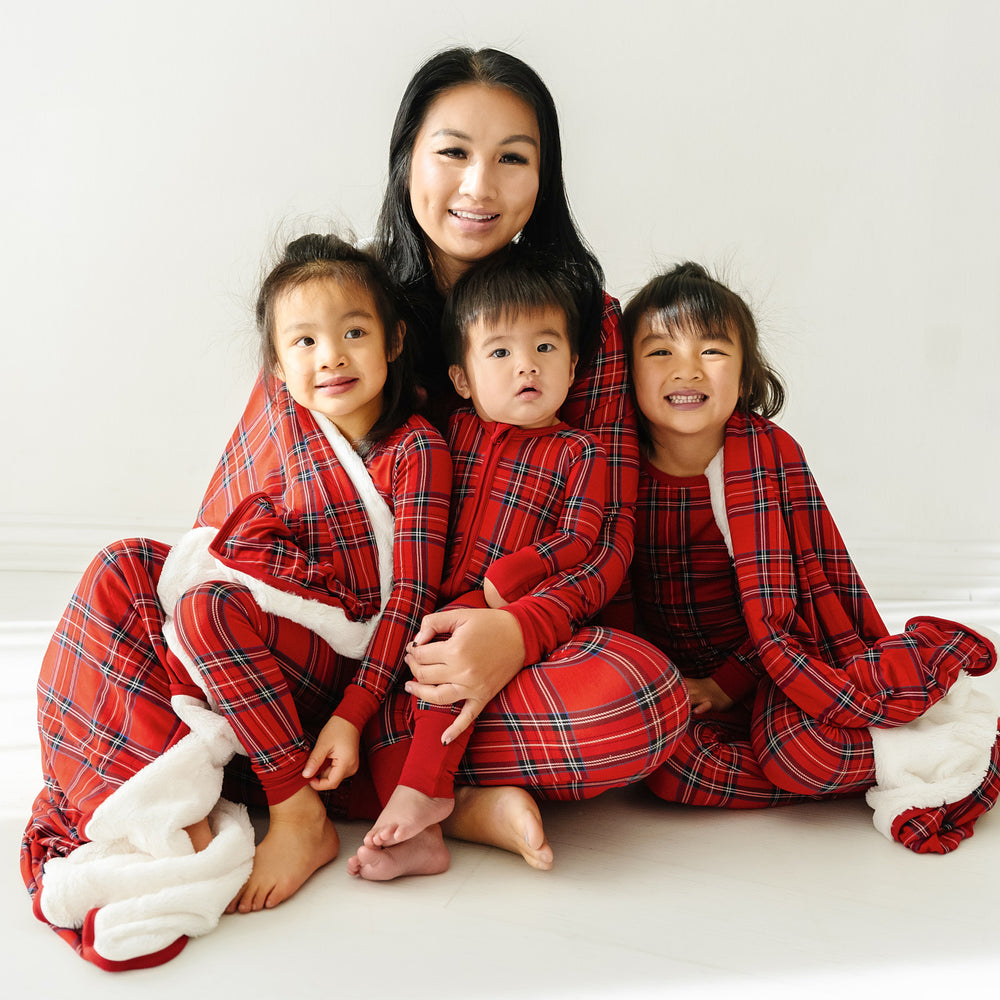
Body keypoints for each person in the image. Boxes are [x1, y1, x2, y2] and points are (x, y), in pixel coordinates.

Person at [201, 47, 690, 875]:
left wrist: (512, 632)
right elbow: (248, 498)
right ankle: (433, 792)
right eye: (454, 152)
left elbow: (606, 537)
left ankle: (369, 776)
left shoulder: (590, 322)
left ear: (546, 176)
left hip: (499, 652)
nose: (480, 187)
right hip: (344, 639)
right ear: (406, 162)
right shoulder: (338, 303)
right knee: (196, 643)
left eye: (513, 159)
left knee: (641, 700)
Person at [21, 234, 452, 968]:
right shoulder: (286, 431)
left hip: (343, 657)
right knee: (121, 565)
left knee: (206, 611)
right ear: (279, 368)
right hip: (266, 633)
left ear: (394, 339)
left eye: (354, 332)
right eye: (306, 341)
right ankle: (137, 798)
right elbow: (231, 537)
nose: (332, 357)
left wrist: (354, 712)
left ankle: (295, 809)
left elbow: (409, 596)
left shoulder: (415, 449)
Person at [616, 261, 1000, 853]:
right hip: (676, 674)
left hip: (782, 662)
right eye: (660, 351)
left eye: (712, 350)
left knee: (798, 753)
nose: (687, 369)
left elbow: (785, 612)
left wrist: (725, 684)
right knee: (670, 773)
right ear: (625, 372)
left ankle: (929, 751)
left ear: (744, 376)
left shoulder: (764, 455)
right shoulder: (616, 466)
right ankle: (829, 770)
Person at [355, 250, 608, 874]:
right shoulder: (450, 434)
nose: (527, 365)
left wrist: (512, 576)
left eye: (546, 349)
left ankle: (419, 799)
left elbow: (584, 537)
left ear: (573, 365)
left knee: (445, 680)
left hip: (499, 610)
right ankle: (437, 823)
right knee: (396, 704)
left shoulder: (578, 450)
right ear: (462, 378)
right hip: (424, 600)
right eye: (500, 352)